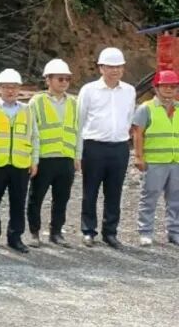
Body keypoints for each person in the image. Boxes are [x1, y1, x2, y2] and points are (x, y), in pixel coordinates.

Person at [77, 47, 135, 248]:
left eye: (119, 66)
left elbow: (129, 117)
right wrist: (79, 150)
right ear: (101, 68)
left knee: (114, 192)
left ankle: (110, 232)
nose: (115, 70)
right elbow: (80, 120)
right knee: (90, 190)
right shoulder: (89, 90)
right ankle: (88, 230)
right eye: (110, 66)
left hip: (119, 147)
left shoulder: (129, 91)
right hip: (94, 147)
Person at [0, 69, 39, 253]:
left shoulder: (27, 110)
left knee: (18, 203)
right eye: (6, 87)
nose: (10, 91)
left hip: (20, 164)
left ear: (19, 89)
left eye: (14, 87)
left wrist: (34, 161)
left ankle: (15, 237)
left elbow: (34, 137)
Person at [27, 59, 80, 247]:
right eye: (60, 79)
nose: (64, 82)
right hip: (44, 159)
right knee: (36, 198)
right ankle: (34, 233)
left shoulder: (74, 102)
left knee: (61, 198)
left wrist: (77, 156)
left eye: (67, 79)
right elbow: (31, 132)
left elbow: (78, 130)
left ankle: (56, 232)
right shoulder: (37, 101)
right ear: (48, 80)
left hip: (66, 158)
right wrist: (33, 159)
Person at [131, 69, 179, 247]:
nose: (169, 89)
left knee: (176, 199)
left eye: (173, 86)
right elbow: (138, 134)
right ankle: (145, 232)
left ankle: (174, 232)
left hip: (176, 161)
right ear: (156, 88)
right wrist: (139, 157)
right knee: (150, 196)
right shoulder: (146, 108)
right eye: (165, 86)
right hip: (155, 162)